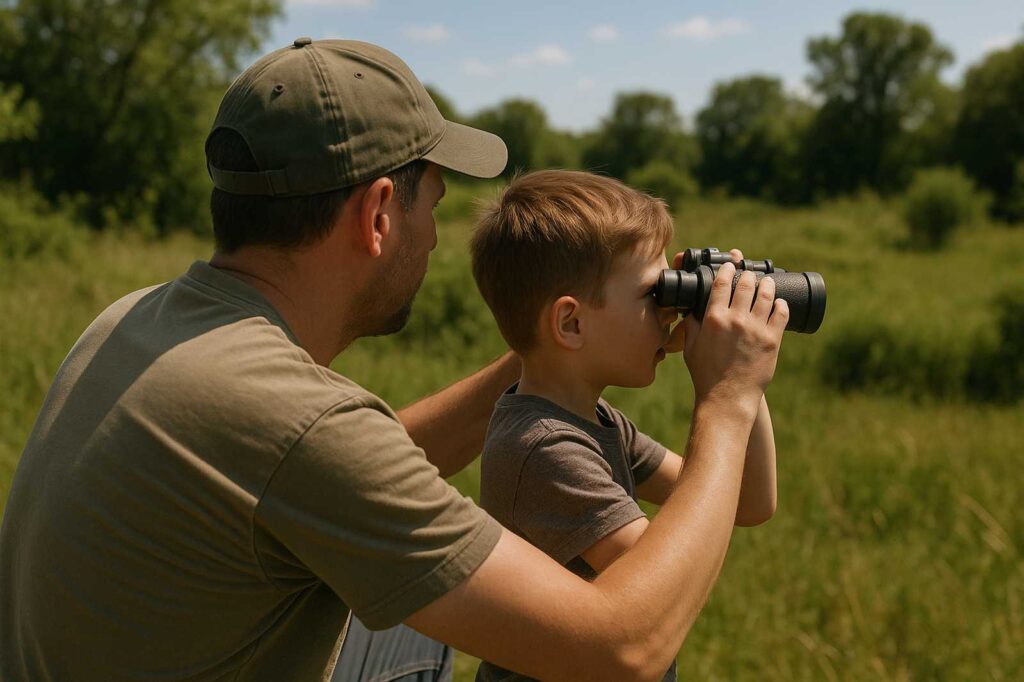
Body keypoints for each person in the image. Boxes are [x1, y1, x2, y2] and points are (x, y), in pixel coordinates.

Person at [0, 38, 789, 682]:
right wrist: (726, 399)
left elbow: (350, 474)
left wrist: (550, 349)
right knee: (443, 623)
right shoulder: (300, 423)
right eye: (434, 203)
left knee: (425, 617)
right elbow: (622, 647)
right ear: (380, 212)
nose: (438, 235)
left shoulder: (137, 320)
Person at [469, 170, 779, 682]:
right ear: (571, 323)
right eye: (651, 295)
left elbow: (747, 502)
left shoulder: (593, 420)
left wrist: (746, 382)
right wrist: (726, 395)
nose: (668, 311)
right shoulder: (544, 447)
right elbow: (667, 584)